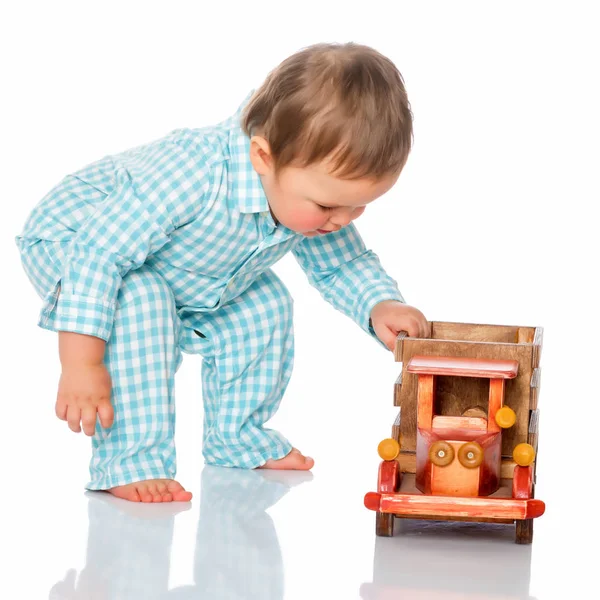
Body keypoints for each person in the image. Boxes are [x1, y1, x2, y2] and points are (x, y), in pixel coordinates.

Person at [16, 42, 429, 503]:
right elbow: (99, 254)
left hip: (177, 265)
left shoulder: (303, 187)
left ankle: (237, 435)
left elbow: (344, 262)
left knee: (264, 303)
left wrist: (379, 304)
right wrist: (81, 362)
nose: (342, 220)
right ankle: (129, 460)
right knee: (143, 297)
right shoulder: (192, 174)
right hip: (76, 240)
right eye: (329, 205)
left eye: (360, 206)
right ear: (262, 157)